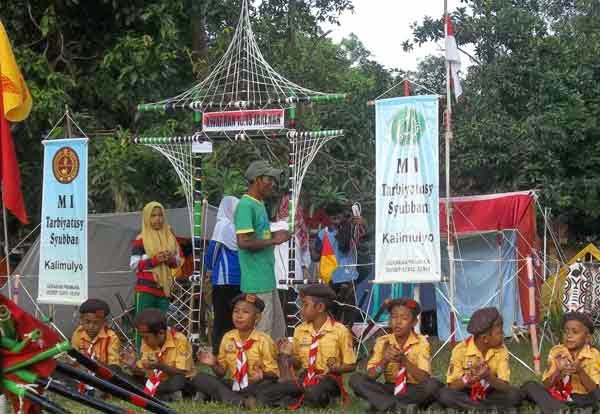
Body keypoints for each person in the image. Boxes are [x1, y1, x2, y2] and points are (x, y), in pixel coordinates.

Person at [260, 284, 356, 408]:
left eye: (305, 305)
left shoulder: (340, 330)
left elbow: (351, 365)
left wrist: (333, 369)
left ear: (320, 307)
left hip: (329, 379)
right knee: (268, 392)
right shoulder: (300, 330)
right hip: (305, 377)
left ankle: (296, 400)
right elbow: (298, 364)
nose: (301, 309)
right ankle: (301, 398)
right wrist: (286, 355)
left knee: (314, 392)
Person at [349, 298, 441, 411]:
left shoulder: (421, 342)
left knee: (433, 385)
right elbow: (370, 376)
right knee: (356, 379)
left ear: (414, 322)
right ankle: (398, 406)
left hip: (413, 388)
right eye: (394, 317)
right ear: (389, 320)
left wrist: (404, 361)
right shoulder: (382, 341)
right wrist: (385, 360)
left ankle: (380, 403)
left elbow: (424, 378)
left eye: (404, 318)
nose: (398, 322)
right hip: (390, 387)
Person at [235, 160, 289, 340]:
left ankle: (274, 367)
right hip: (256, 282)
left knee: (277, 334)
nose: (272, 184)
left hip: (267, 279)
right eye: (269, 179)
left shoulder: (259, 204)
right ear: (257, 180)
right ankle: (258, 368)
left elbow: (259, 235)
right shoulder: (246, 205)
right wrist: (275, 240)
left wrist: (275, 232)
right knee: (262, 335)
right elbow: (243, 242)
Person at [193, 294, 279, 408]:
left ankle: (227, 397)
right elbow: (221, 373)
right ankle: (241, 401)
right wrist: (213, 364)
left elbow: (274, 375)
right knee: (199, 378)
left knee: (265, 389)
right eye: (236, 311)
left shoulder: (264, 340)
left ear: (257, 318)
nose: (239, 316)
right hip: (236, 384)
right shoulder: (228, 338)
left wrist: (262, 375)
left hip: (256, 385)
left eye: (245, 312)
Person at [437, 307, 523, 410]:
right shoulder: (460, 350)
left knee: (515, 395)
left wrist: (488, 376)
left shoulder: (501, 350)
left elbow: (505, 386)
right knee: (444, 394)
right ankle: (485, 408)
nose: (503, 335)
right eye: (499, 333)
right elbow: (452, 386)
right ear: (485, 338)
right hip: (467, 393)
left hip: (490, 393)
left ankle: (475, 407)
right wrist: (470, 378)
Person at [521, 312, 600, 413]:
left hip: (585, 398)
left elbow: (594, 389)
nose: (569, 336)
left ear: (587, 337)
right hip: (561, 397)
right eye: (566, 331)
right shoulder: (557, 351)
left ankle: (558, 409)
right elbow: (546, 385)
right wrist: (558, 372)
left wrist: (580, 371)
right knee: (530, 385)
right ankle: (560, 409)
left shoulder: (593, 354)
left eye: (575, 332)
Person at [121, 308, 195, 401]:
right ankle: (164, 396)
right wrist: (133, 366)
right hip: (156, 382)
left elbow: (182, 372)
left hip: (175, 381)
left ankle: (151, 393)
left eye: (146, 337)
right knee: (125, 378)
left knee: (178, 380)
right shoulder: (147, 341)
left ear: (161, 333)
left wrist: (159, 366)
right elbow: (145, 372)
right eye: (142, 337)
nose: (144, 340)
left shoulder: (180, 340)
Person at [311, 202, 366, 324]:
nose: (336, 221)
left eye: (337, 217)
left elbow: (315, 256)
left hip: (333, 280)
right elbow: (363, 238)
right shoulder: (351, 229)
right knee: (346, 317)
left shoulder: (323, 234)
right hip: (345, 279)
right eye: (334, 218)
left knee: (332, 316)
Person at [130, 202, 182, 315]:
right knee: (143, 325)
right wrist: (155, 260)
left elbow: (177, 262)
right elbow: (134, 265)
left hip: (164, 290)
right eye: (153, 216)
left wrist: (169, 259)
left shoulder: (170, 237)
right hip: (145, 290)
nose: (157, 219)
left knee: (160, 326)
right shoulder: (141, 239)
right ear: (147, 218)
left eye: (160, 215)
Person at [206, 196, 242, 354]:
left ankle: (217, 351)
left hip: (223, 278)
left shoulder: (222, 225)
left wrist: (209, 267)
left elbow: (213, 249)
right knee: (234, 316)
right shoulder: (239, 227)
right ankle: (232, 350)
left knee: (220, 316)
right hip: (239, 279)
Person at [71, 299, 121, 396]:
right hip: (83, 372)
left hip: (101, 373)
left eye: (96, 323)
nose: (91, 326)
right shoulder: (78, 333)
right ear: (81, 320)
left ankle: (98, 391)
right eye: (87, 321)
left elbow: (114, 365)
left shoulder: (111, 337)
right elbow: (74, 355)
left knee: (114, 373)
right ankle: (88, 389)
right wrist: (73, 361)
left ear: (104, 322)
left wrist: (96, 364)